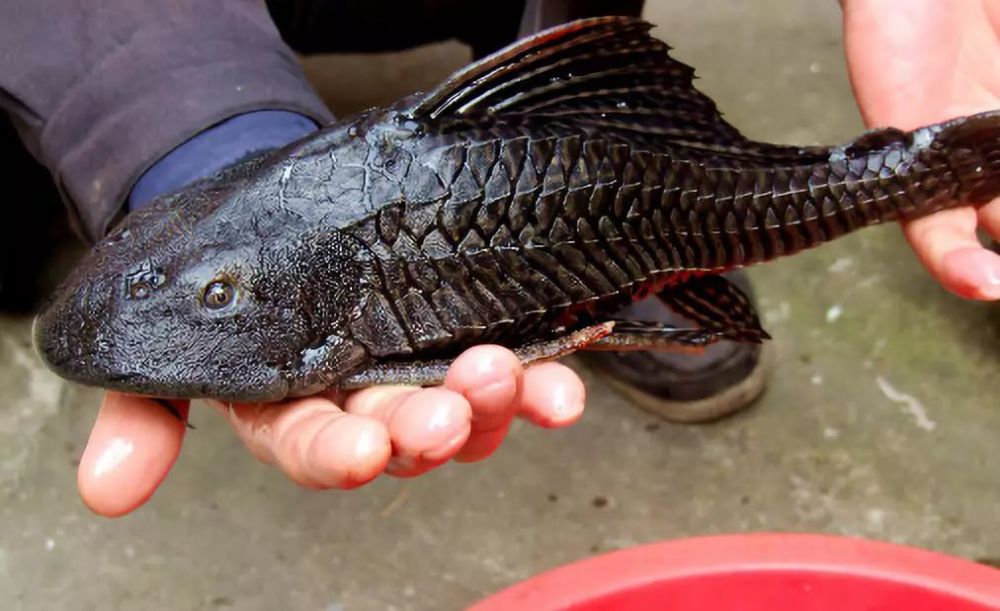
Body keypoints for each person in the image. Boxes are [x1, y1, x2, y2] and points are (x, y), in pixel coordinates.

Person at [1, 0, 997, 518]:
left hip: (611, 153)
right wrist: (185, 143)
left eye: (221, 293)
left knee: (666, 217)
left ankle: (656, 282)